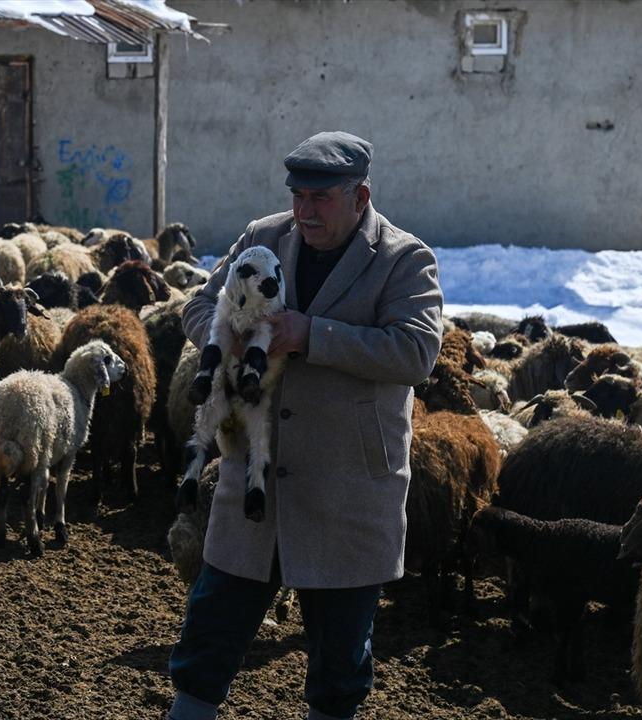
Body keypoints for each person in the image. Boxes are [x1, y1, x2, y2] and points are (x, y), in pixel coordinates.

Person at [167, 131, 444, 720]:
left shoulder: (403, 259)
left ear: (360, 196)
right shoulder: (262, 238)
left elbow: (416, 351)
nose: (303, 211)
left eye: (320, 199)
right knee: (209, 634)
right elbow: (197, 306)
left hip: (347, 489)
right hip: (255, 480)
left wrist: (311, 336)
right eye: (297, 196)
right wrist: (229, 331)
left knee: (339, 665)